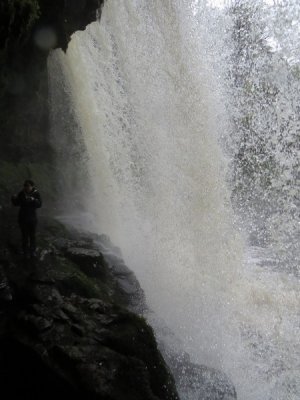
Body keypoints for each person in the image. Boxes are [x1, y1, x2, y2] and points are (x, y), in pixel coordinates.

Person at [11, 180, 42, 258]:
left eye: (28, 186)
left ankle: (33, 251)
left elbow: (39, 204)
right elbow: (16, 203)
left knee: (32, 236)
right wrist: (13, 198)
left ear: (32, 186)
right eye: (25, 186)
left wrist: (33, 200)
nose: (26, 187)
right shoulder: (21, 193)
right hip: (23, 218)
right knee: (24, 235)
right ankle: (25, 251)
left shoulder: (36, 194)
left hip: (32, 218)